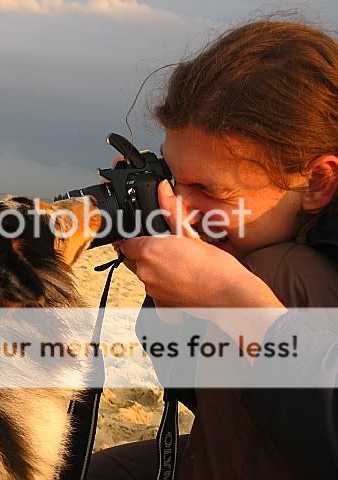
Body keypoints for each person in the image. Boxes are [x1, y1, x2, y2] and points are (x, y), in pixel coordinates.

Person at [87, 19, 338, 479]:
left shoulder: (283, 269)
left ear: (318, 181)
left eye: (207, 187)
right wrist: (175, 307)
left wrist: (236, 301)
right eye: (173, 178)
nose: (181, 205)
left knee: (278, 272)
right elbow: (204, 397)